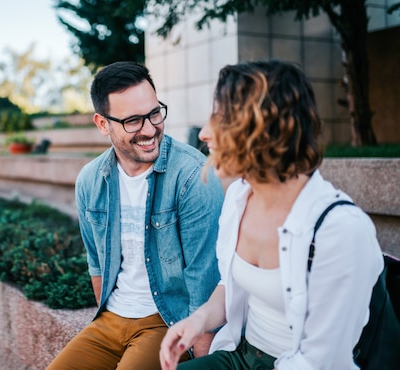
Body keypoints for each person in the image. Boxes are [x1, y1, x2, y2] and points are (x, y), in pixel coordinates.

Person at [159, 60, 384, 370]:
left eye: (220, 118)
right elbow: (230, 285)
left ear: (264, 129)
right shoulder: (239, 196)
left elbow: (320, 361)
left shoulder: (341, 229)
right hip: (240, 356)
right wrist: (197, 321)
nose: (206, 133)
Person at [46, 61, 225, 370]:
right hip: (110, 320)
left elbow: (204, 283)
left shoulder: (193, 177)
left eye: (154, 113)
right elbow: (97, 264)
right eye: (133, 120)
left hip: (167, 320)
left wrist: (201, 362)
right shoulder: (90, 181)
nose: (149, 129)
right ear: (103, 124)